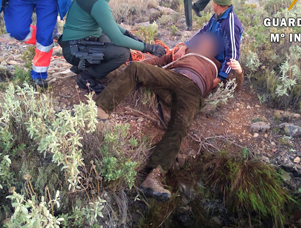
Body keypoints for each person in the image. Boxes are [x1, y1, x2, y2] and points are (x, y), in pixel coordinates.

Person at [94, 34, 244, 201]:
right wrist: (132, 66)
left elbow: (233, 88)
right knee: (136, 68)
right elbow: (159, 62)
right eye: (205, 39)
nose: (207, 42)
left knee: (180, 126)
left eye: (212, 42)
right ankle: (101, 113)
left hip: (193, 92)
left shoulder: (219, 65)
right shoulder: (184, 51)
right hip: (172, 77)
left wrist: (239, 72)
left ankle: (152, 176)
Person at [58, 0, 166, 94]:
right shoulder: (99, 3)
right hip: (75, 49)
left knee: (108, 37)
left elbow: (108, 24)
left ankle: (81, 66)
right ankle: (87, 77)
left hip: (74, 43)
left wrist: (127, 33)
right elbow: (118, 39)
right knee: (122, 53)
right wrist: (148, 48)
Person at [174, 0, 244, 89]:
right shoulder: (217, 16)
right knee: (177, 53)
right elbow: (203, 32)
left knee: (194, 80)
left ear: (217, 4)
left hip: (215, 62)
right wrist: (185, 46)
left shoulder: (230, 24)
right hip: (207, 52)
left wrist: (220, 77)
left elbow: (232, 55)